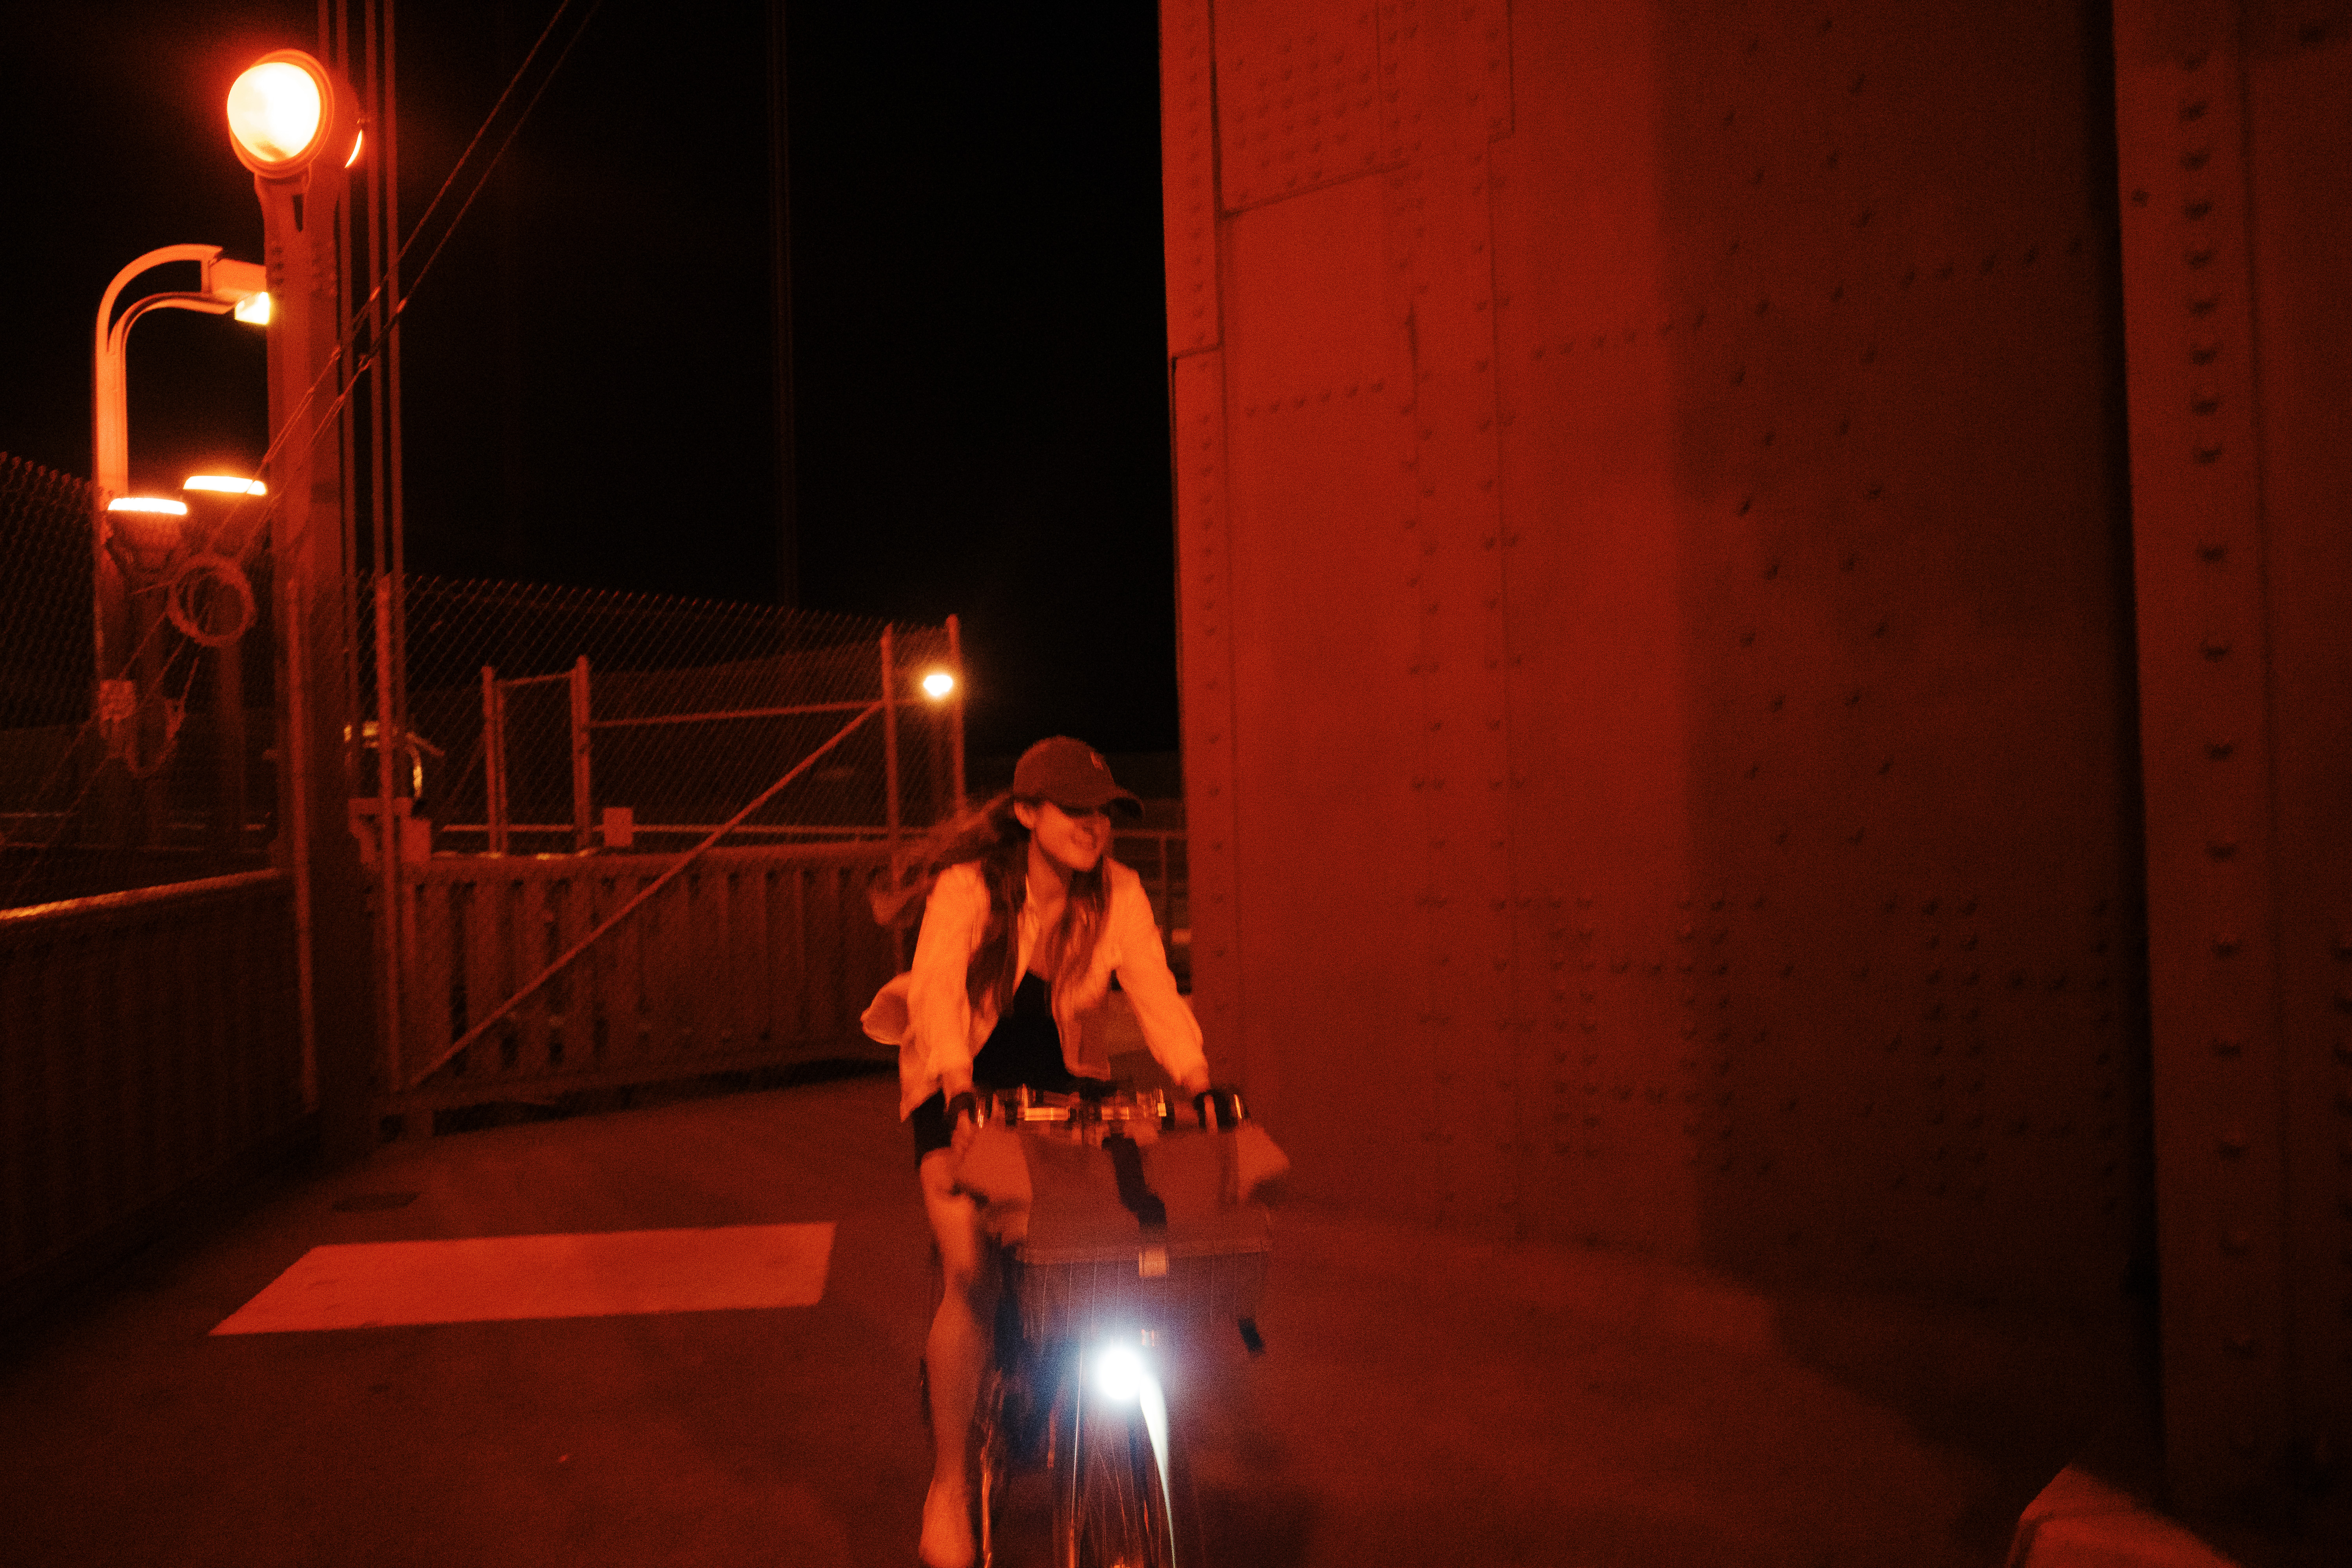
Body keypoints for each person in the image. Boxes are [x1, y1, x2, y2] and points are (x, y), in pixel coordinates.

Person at [864, 737, 1209, 1568]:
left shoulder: (1119, 891)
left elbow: (1155, 992)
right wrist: (956, 1091)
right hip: (960, 1077)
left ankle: (1073, 1391)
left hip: (1062, 1080)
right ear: (1027, 813)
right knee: (971, 1267)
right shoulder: (971, 887)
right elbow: (938, 990)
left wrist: (1199, 1080)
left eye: (1105, 812)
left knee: (1101, 1239)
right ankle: (949, 1484)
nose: (1095, 827)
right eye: (1074, 810)